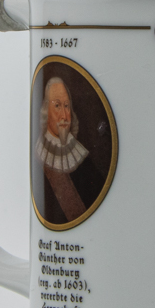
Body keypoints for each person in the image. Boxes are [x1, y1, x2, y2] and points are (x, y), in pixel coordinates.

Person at [34, 76, 105, 225]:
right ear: (46, 111)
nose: (64, 116)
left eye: (67, 106)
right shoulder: (36, 159)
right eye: (57, 106)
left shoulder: (83, 159)